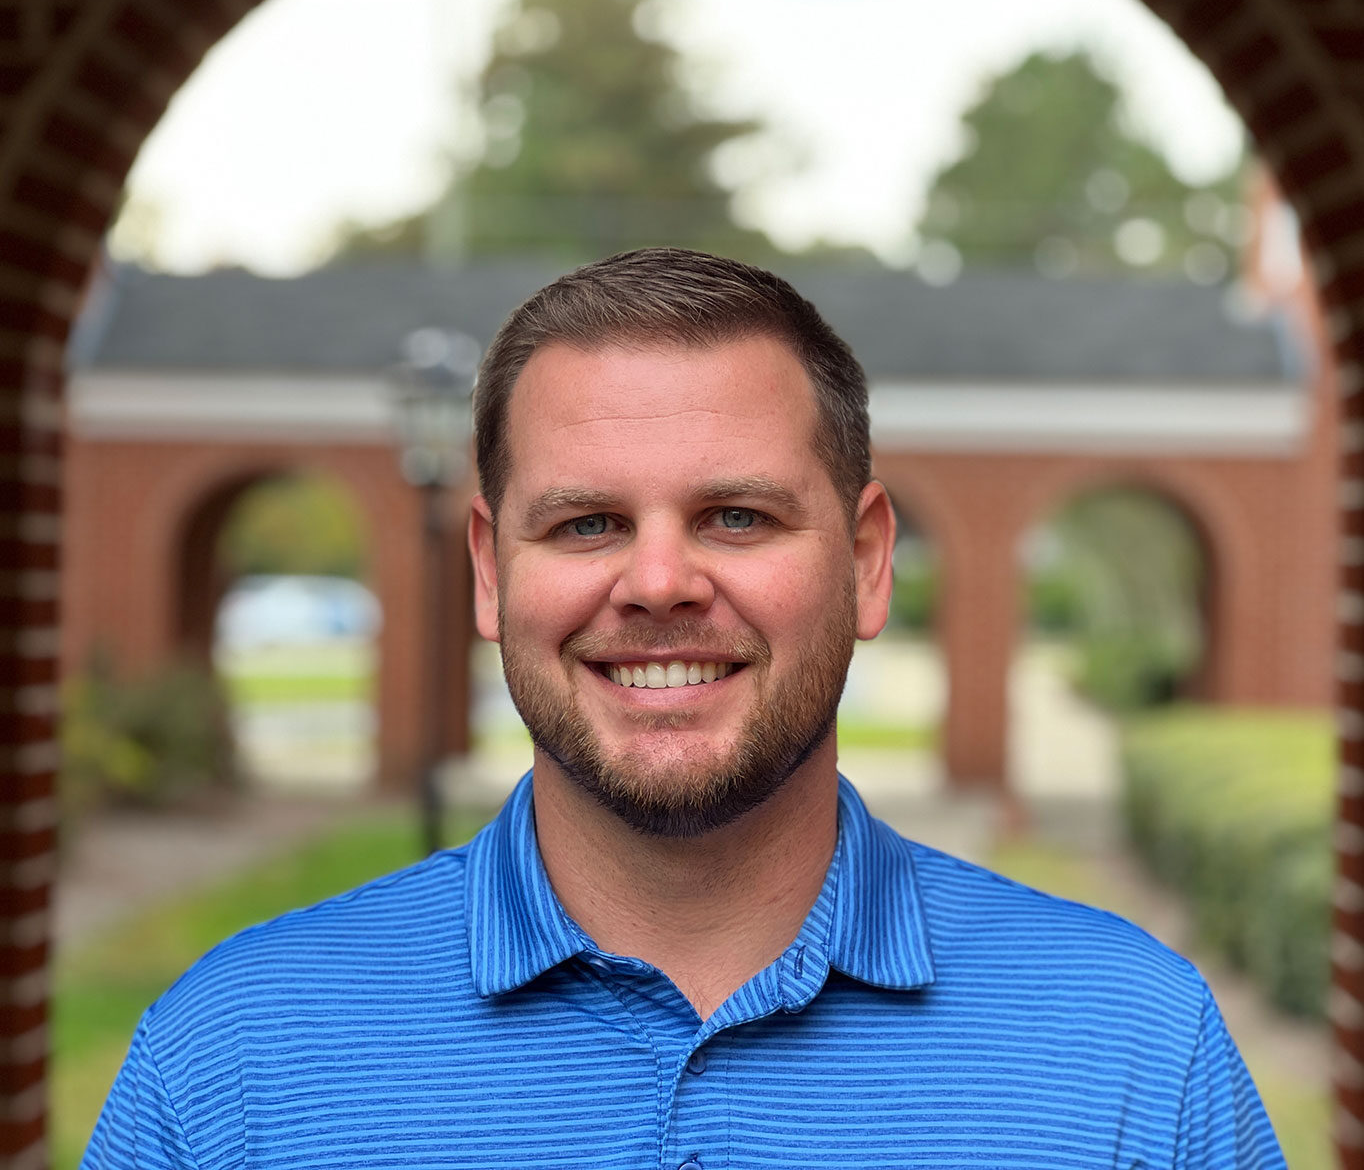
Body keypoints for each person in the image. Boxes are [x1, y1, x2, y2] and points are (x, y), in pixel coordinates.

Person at [83, 248, 1286, 1169]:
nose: (657, 583)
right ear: (491, 573)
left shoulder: (1136, 1057)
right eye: (586, 524)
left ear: (866, 562)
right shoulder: (229, 1063)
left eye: (736, 517)